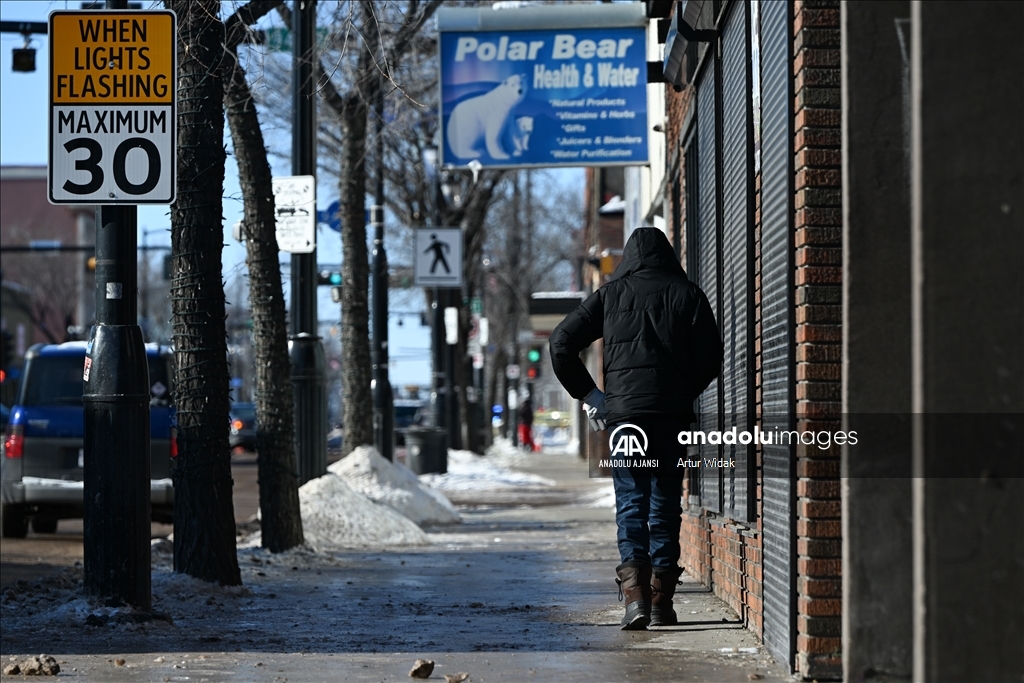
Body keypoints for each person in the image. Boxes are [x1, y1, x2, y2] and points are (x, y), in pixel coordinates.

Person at [549, 228, 722, 630]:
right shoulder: (688, 295)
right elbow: (711, 355)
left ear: (628, 258)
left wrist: (592, 395)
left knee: (631, 501)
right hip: (671, 417)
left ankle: (635, 600)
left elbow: (561, 342)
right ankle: (661, 600)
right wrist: (681, 391)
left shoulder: (610, 296)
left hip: (625, 418)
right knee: (665, 504)